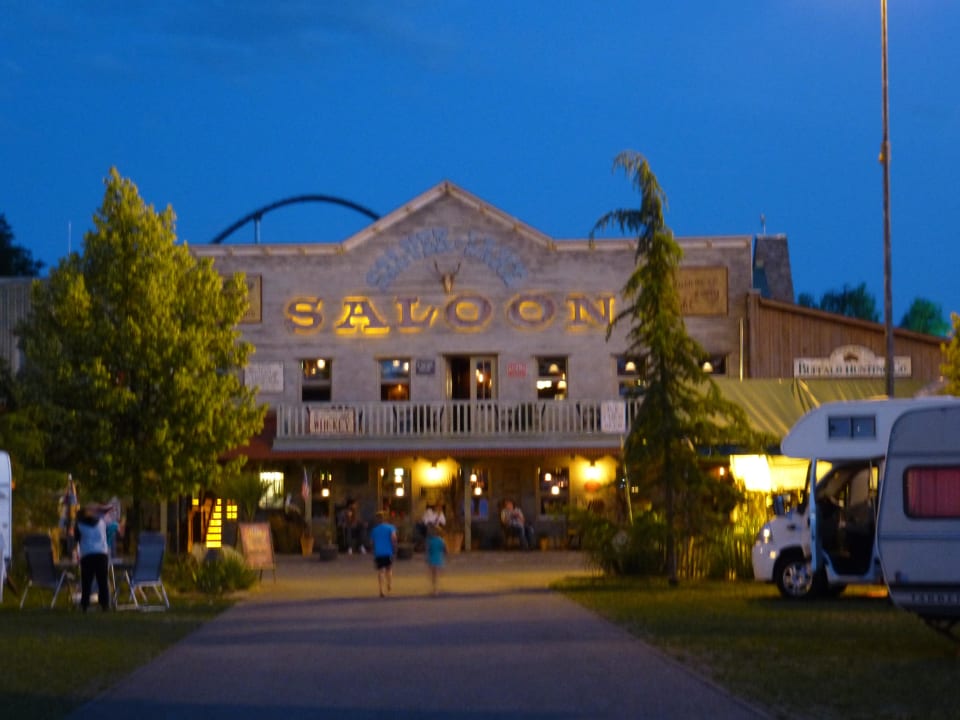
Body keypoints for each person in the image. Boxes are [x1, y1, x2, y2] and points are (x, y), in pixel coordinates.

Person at [74, 503, 110, 611]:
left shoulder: (79, 525)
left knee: (86, 581)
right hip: (101, 554)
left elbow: (77, 539)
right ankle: (104, 604)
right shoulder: (102, 523)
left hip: (87, 555)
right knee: (102, 581)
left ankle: (85, 604)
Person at [369, 511, 397, 597]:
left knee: (381, 571)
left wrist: (373, 551)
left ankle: (381, 590)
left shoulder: (374, 530)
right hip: (388, 552)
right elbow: (393, 538)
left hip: (378, 552)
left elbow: (371, 542)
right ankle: (389, 584)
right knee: (389, 569)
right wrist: (395, 548)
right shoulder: (391, 528)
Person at [425, 524, 446, 596]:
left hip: (431, 560)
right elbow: (444, 549)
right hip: (439, 559)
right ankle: (437, 590)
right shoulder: (441, 540)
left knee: (432, 576)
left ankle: (434, 589)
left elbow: (428, 551)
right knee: (437, 576)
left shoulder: (430, 541)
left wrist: (427, 559)